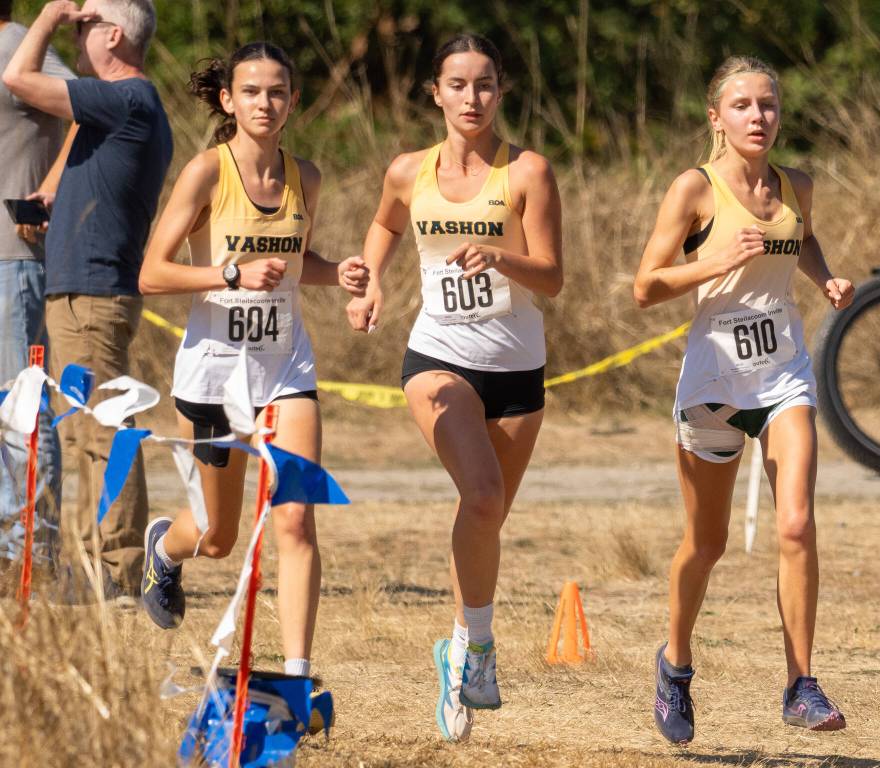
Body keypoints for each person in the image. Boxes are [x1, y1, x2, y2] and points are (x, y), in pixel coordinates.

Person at [346, 34, 562, 742]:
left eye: (486, 85)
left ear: (502, 92)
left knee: (485, 519)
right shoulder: (410, 170)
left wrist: (500, 255)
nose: (473, 99)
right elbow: (384, 223)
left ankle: (458, 651)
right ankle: (484, 644)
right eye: (459, 85)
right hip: (438, 356)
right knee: (482, 495)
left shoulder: (528, 171)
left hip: (519, 371)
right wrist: (372, 280)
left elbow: (552, 277)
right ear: (434, 93)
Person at [633, 56, 855, 744]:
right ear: (716, 118)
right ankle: (676, 662)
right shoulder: (694, 191)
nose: (757, 117)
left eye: (767, 105)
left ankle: (801, 683)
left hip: (783, 374)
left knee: (796, 525)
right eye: (742, 106)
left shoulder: (798, 186)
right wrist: (717, 261)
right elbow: (646, 286)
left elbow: (804, 233)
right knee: (708, 542)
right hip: (713, 384)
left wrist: (823, 278)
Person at [137, 42, 369, 682]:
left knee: (295, 515)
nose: (264, 103)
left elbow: (296, 266)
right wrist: (231, 272)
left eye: (277, 92)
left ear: (292, 101)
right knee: (217, 535)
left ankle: (297, 673)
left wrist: (338, 272)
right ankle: (165, 548)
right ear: (227, 100)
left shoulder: (306, 177)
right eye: (251, 92)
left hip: (285, 370)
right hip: (213, 374)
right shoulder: (207, 173)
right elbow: (152, 274)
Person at [2, 0, 171, 601]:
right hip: (83, 293)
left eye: (83, 25)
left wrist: (44, 16)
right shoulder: (120, 109)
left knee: (104, 433)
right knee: (88, 435)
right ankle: (112, 568)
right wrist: (54, 199)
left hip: (93, 295)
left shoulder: (125, 98)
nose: (75, 35)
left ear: (115, 34)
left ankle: (123, 575)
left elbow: (17, 77)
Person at [0, 0, 74, 567]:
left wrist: (47, 190)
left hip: (14, 254)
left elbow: (90, 114)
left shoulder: (21, 41)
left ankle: (32, 556)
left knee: (21, 405)